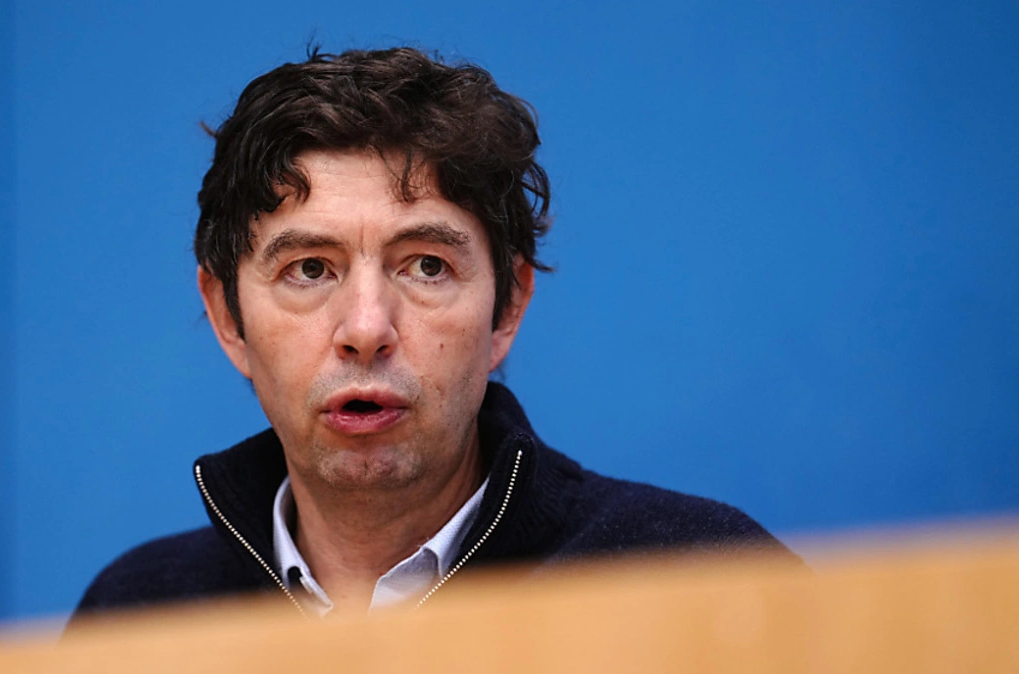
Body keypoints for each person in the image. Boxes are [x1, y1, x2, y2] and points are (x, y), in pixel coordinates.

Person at [72, 46, 792, 621]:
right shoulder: (137, 615)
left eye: (426, 265)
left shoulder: (703, 578)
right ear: (228, 317)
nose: (365, 329)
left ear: (507, 307)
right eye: (309, 269)